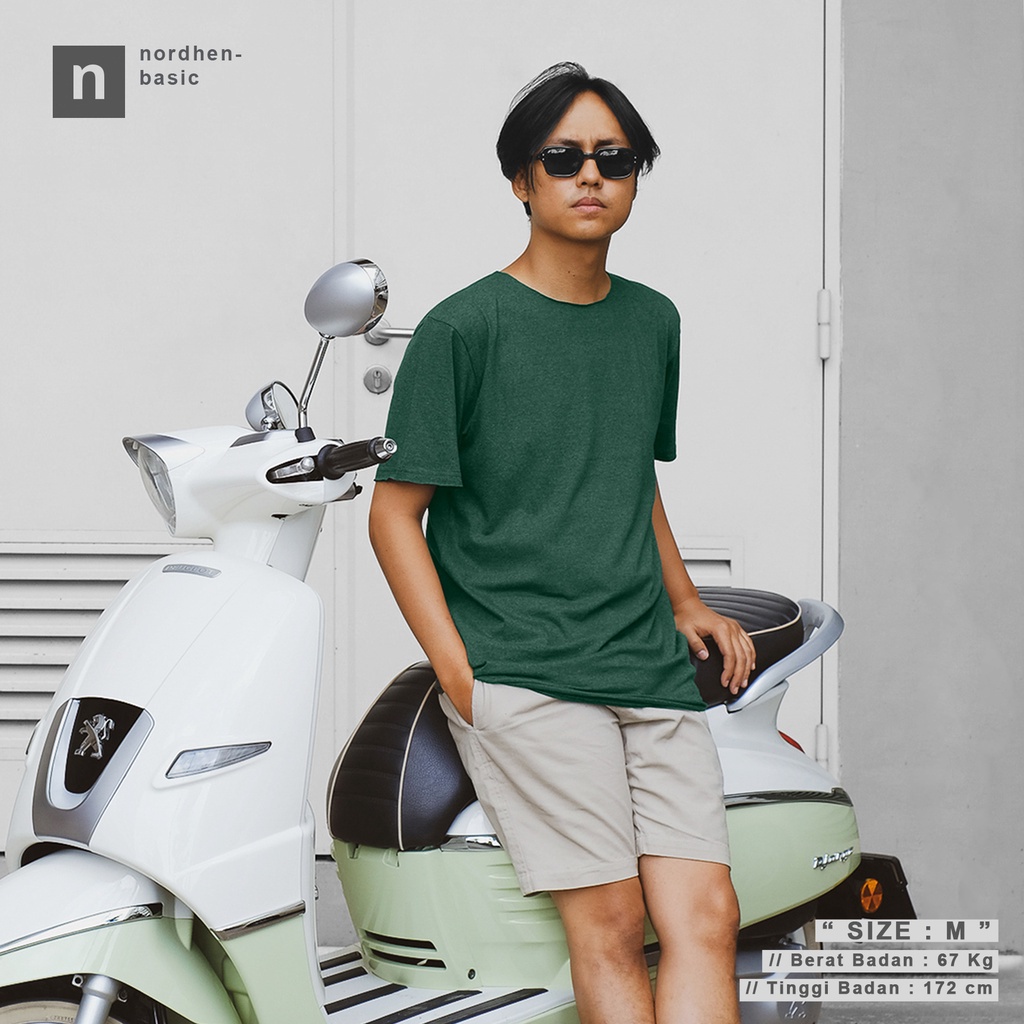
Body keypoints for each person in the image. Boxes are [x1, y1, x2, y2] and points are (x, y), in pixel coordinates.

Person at [368, 61, 756, 1024]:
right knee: (613, 924)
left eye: (614, 160)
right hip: (526, 670)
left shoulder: (652, 321)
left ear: (634, 180)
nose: (591, 176)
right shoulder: (463, 329)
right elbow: (393, 513)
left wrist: (685, 600)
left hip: (644, 661)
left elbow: (629, 476)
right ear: (521, 180)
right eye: (564, 157)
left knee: (707, 916)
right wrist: (461, 674)